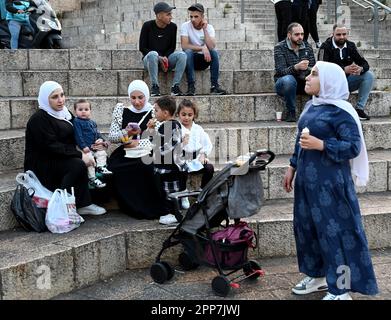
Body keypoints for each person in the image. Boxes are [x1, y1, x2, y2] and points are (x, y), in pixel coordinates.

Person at [283, 61, 378, 300]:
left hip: (331, 185)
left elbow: (353, 146)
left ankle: (341, 288)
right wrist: (292, 165)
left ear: (328, 81)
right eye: (310, 73)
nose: (308, 77)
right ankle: (317, 276)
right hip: (307, 183)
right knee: (308, 230)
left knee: (335, 234)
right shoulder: (311, 107)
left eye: (314, 74)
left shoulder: (342, 111)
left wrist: (323, 145)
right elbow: (300, 139)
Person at [24, 81, 106, 216]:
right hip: (43, 163)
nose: (60, 100)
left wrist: (96, 142)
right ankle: (63, 205)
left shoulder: (65, 113)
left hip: (62, 156)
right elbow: (51, 147)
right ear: (46, 99)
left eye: (62, 95)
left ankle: (83, 204)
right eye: (54, 97)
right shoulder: (39, 119)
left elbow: (79, 131)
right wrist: (80, 155)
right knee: (78, 164)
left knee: (99, 158)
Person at [107, 80, 165, 220]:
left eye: (140, 97)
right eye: (133, 98)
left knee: (146, 166)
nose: (137, 102)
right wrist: (126, 134)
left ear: (146, 96)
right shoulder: (121, 110)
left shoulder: (153, 111)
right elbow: (112, 136)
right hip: (126, 150)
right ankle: (130, 206)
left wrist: (138, 142)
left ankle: (150, 206)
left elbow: (158, 137)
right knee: (116, 168)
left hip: (146, 150)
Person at [318, 24, 374, 121]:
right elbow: (321, 68)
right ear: (332, 34)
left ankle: (359, 109)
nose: (342, 37)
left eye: (344, 34)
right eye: (338, 34)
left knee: (369, 75)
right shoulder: (325, 47)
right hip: (330, 85)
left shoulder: (351, 45)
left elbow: (365, 64)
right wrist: (343, 70)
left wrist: (360, 69)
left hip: (346, 82)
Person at [147, 96, 186, 225]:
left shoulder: (172, 125)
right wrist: (151, 130)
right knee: (165, 190)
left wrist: (158, 151)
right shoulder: (166, 126)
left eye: (156, 110)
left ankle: (174, 213)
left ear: (165, 113)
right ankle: (169, 212)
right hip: (164, 166)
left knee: (171, 191)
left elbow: (170, 144)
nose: (154, 114)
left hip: (170, 167)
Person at [139, 2, 187, 97]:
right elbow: (142, 48)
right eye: (168, 14)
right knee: (153, 54)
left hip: (166, 59)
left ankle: (175, 87)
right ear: (159, 15)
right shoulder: (147, 26)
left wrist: (165, 58)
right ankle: (155, 87)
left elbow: (171, 47)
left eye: (171, 14)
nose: (171, 17)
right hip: (150, 60)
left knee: (182, 55)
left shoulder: (173, 27)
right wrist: (159, 57)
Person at [180, 3, 227, 96]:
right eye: (191, 16)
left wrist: (204, 29)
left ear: (202, 17)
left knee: (213, 52)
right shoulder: (185, 26)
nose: (193, 19)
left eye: (196, 16)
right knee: (188, 52)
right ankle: (191, 87)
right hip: (189, 60)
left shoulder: (209, 28)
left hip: (205, 59)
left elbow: (212, 46)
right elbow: (184, 46)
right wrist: (202, 47)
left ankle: (214, 86)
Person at [274, 22, 316, 122]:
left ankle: (312, 112)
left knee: (318, 79)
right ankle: (291, 112)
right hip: (283, 84)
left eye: (302, 34)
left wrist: (308, 70)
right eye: (297, 34)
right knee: (289, 80)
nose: (300, 37)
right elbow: (280, 71)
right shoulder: (279, 47)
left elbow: (314, 68)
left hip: (302, 82)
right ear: (289, 35)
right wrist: (296, 67)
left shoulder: (307, 47)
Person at [176, 98, 214, 203]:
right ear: (178, 114)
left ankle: (203, 190)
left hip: (196, 158)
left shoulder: (198, 129)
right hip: (182, 157)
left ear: (194, 115)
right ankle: (183, 193)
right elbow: (173, 148)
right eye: (183, 114)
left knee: (209, 168)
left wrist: (203, 155)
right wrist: (182, 143)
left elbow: (206, 144)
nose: (186, 118)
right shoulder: (177, 128)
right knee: (180, 170)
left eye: (190, 115)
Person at [73, 99, 113, 189]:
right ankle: (92, 179)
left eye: (86, 109)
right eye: (80, 109)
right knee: (90, 162)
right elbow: (78, 136)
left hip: (94, 147)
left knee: (102, 153)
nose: (83, 112)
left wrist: (102, 141)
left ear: (90, 111)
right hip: (84, 148)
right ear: (75, 111)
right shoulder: (77, 122)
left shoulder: (92, 123)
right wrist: (83, 146)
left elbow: (97, 134)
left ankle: (101, 167)